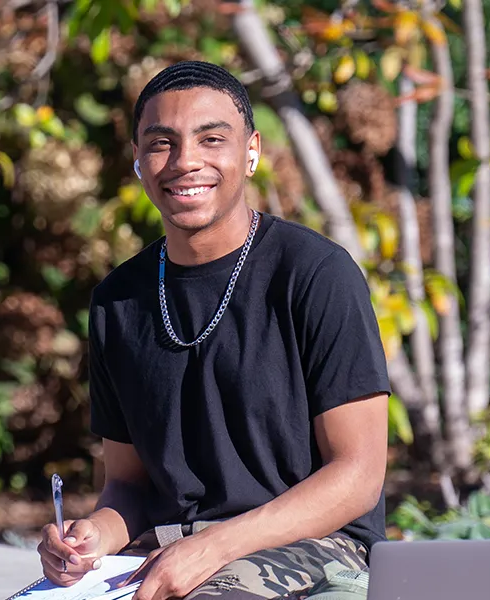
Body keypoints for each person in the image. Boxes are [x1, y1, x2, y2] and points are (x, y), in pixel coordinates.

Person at [36, 61, 390, 600]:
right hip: (171, 549)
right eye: (161, 142)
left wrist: (214, 546)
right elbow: (128, 486)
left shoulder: (315, 274)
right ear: (137, 158)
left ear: (251, 151)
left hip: (315, 546)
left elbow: (359, 474)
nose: (185, 161)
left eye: (210, 139)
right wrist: (91, 537)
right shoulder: (118, 300)